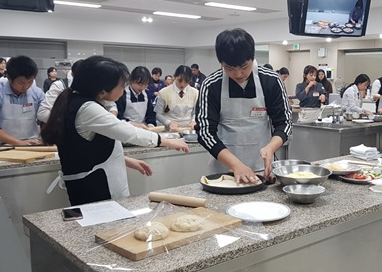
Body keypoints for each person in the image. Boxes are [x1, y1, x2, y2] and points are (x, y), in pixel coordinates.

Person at [40, 55, 189, 206]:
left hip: (95, 182)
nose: (123, 92)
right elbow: (125, 131)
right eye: (121, 87)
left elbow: (88, 149)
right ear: (103, 89)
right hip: (94, 188)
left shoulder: (77, 100)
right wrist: (165, 141)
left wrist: (124, 160)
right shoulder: (87, 108)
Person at [195, 28, 292, 183]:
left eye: (244, 66)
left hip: (262, 170)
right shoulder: (212, 85)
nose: (238, 74)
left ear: (252, 58)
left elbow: (284, 123)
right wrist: (236, 164)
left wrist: (270, 148)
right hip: (224, 172)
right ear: (221, 63)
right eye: (230, 68)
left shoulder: (271, 81)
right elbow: (206, 133)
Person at [0, 55, 45, 147]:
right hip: (1, 148)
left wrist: (46, 137)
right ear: (9, 77)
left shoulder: (37, 93)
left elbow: (44, 120)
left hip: (32, 145)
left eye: (30, 82)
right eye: (21, 83)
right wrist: (18, 143)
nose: (26, 86)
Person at [155, 65, 198, 130]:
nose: (182, 84)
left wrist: (194, 120)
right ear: (175, 77)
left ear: (190, 80)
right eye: (179, 81)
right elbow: (157, 114)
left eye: (186, 82)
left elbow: (196, 112)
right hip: (170, 130)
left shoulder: (195, 93)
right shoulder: (164, 92)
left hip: (188, 129)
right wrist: (169, 123)